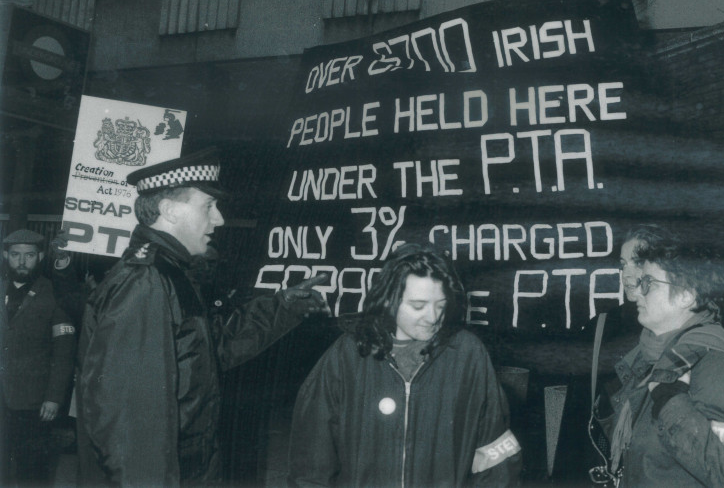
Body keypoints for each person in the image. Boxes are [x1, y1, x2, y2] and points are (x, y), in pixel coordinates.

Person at [76, 150, 330, 486]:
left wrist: (282, 306)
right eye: (208, 206)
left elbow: (210, 349)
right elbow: (130, 423)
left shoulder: (169, 274)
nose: (219, 219)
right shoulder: (147, 283)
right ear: (169, 211)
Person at [289, 243, 522, 487]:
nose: (433, 317)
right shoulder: (346, 355)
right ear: (389, 300)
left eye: (441, 305)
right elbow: (311, 463)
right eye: (418, 306)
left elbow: (496, 458)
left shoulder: (467, 354)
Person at [595, 231, 724, 486]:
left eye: (648, 283)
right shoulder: (653, 359)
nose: (637, 290)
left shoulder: (716, 364)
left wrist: (670, 402)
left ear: (686, 295)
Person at [1, 229, 77, 485]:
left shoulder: (55, 294)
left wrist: (54, 398)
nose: (22, 262)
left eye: (29, 255)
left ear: (41, 256)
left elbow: (64, 353)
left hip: (33, 403)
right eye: (15, 255)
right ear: (5, 255)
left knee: (31, 470)